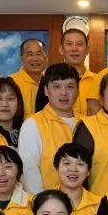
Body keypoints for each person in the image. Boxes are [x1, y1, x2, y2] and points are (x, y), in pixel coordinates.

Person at [19, 63, 81, 193]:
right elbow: (29, 171)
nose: (64, 93)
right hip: (48, 202)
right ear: (46, 91)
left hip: (85, 201)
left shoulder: (86, 123)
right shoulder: (33, 124)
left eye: (70, 86)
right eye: (56, 87)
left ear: (78, 90)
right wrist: (43, 202)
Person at [55, 143, 101, 215]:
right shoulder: (43, 203)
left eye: (80, 164)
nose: (73, 169)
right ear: (57, 168)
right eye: (66, 163)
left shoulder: (100, 205)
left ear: (88, 171)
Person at [57, 26, 99, 117]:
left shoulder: (99, 80)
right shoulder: (50, 81)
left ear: (87, 50)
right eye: (69, 44)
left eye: (79, 44)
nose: (74, 49)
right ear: (61, 49)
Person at [9, 37, 47, 116]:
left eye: (39, 54)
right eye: (30, 54)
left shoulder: (51, 83)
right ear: (21, 58)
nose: (35, 59)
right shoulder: (11, 83)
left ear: (46, 57)